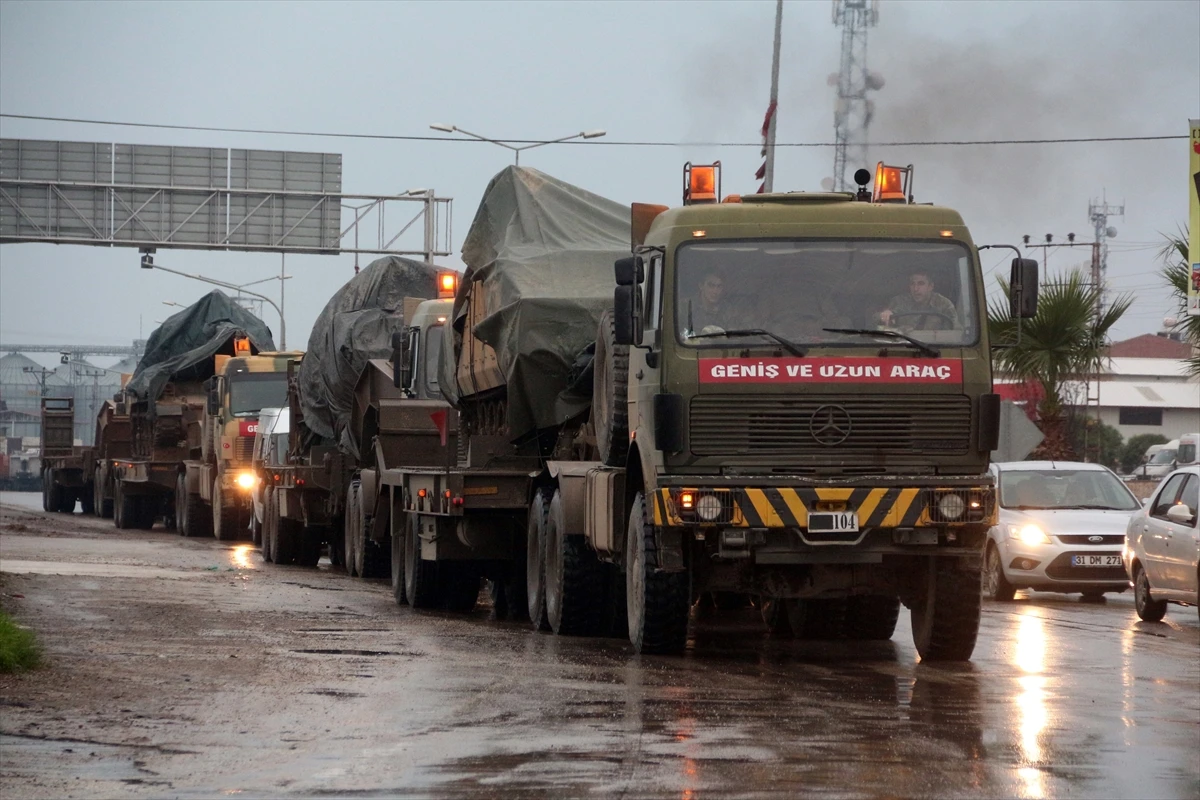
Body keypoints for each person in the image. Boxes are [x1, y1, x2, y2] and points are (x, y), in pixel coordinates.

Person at [878, 270, 959, 331]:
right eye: (912, 284)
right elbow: (877, 322)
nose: (915, 289)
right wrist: (884, 315)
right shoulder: (899, 301)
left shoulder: (944, 304)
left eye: (921, 283)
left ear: (930, 286)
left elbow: (955, 333)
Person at [686, 268, 733, 334]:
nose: (715, 291)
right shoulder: (685, 307)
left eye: (719, 286)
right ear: (701, 286)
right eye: (711, 285)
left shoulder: (729, 310)